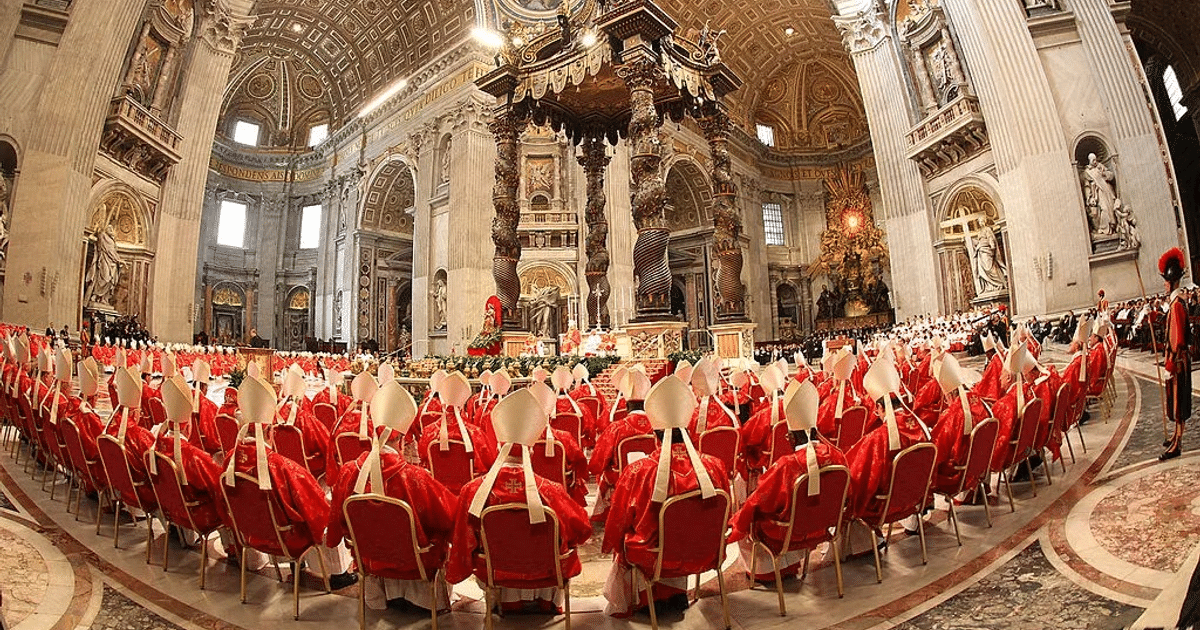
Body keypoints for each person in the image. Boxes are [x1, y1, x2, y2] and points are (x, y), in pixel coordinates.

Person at [448, 388, 591, 613]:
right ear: (532, 451)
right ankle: (548, 600)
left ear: (497, 448)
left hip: (494, 571)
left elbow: (463, 540)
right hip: (548, 570)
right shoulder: (552, 490)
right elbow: (582, 529)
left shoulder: (473, 491)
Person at [602, 375, 730, 616]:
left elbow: (619, 520)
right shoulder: (715, 466)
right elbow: (726, 514)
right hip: (706, 549)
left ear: (655, 433)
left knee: (633, 534)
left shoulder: (639, 471)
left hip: (654, 554)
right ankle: (677, 593)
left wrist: (611, 541)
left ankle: (647, 597)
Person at [327, 380, 456, 611]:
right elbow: (449, 517)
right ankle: (424, 602)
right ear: (404, 441)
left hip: (369, 559)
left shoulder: (348, 472)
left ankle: (382, 596)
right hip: (415, 560)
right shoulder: (415, 478)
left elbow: (338, 518)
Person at [730, 379, 847, 582]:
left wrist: (736, 524)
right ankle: (792, 564)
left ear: (791, 438)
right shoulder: (838, 456)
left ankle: (766, 572)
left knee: (751, 515)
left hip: (785, 533)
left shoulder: (786, 466)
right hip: (823, 527)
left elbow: (758, 502)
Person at [1160, 247, 1191, 460]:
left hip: (1178, 361)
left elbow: (1177, 338)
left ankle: (1178, 443)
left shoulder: (1177, 305)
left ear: (1171, 282)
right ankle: (1175, 434)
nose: (1164, 284)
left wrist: (1171, 361)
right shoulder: (1174, 303)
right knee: (1175, 401)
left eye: (1165, 281)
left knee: (1179, 403)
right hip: (1176, 359)